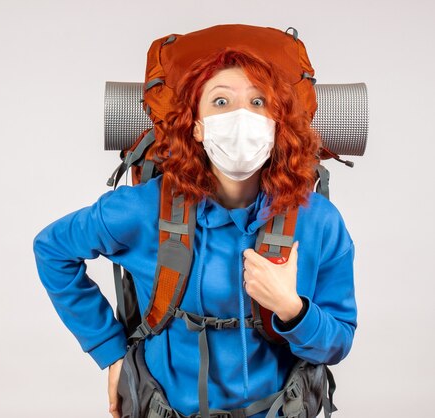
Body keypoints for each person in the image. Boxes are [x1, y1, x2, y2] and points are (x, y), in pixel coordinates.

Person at [33, 48, 357, 418]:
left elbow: (337, 343)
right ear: (197, 126)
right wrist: (109, 350)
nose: (240, 117)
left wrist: (291, 309)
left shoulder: (318, 221)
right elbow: (52, 249)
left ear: (276, 123)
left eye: (258, 101)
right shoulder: (144, 209)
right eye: (221, 101)